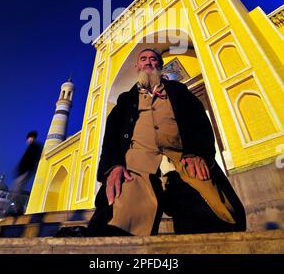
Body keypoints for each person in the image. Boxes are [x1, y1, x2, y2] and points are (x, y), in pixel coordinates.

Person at [88, 48, 246, 236]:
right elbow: (111, 136)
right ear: (137, 66)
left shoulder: (178, 91)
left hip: (181, 161)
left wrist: (197, 153)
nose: (148, 62)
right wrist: (113, 165)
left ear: (160, 66)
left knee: (209, 211)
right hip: (136, 166)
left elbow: (199, 123)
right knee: (117, 216)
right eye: (143, 59)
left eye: (153, 59)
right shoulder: (125, 100)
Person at [6, 130, 42, 216]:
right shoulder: (32, 147)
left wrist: (27, 170)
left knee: (16, 191)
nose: (28, 140)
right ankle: (18, 210)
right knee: (15, 192)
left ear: (31, 138)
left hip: (26, 171)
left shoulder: (35, 147)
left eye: (29, 138)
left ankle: (19, 211)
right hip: (23, 172)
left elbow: (31, 160)